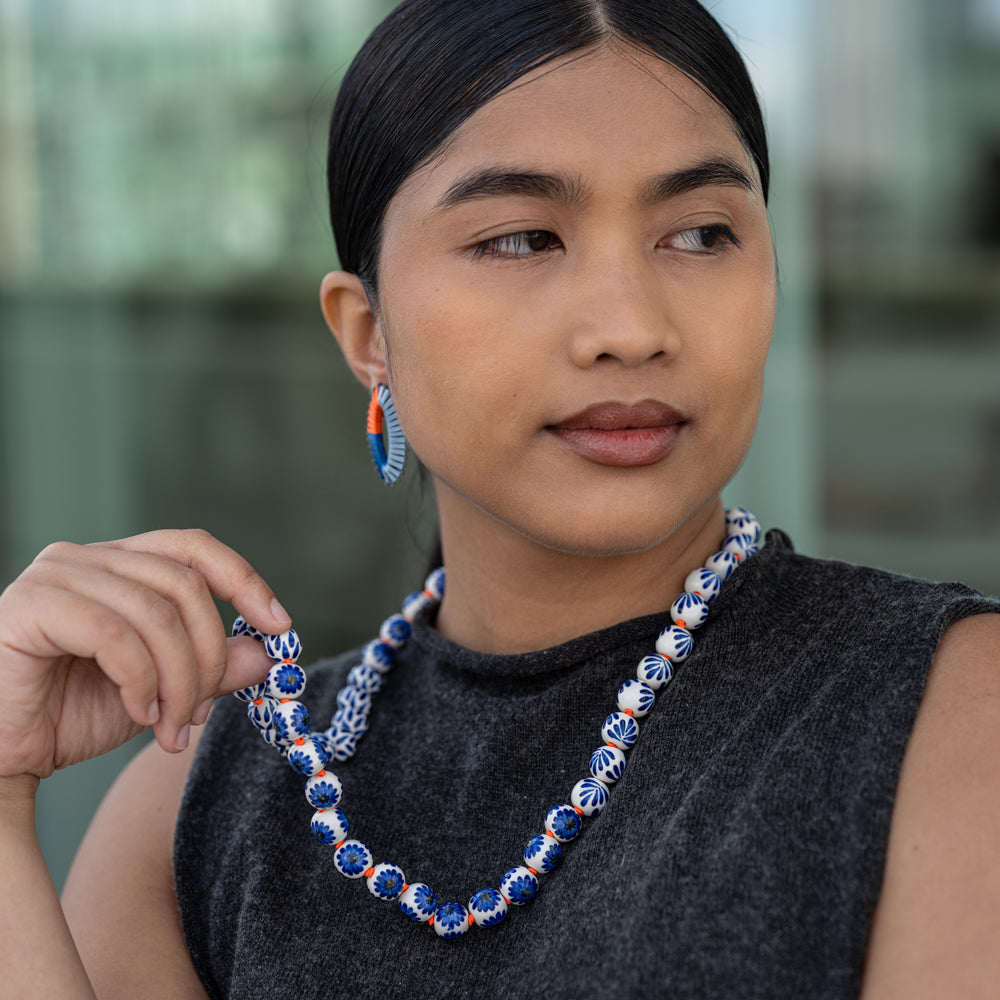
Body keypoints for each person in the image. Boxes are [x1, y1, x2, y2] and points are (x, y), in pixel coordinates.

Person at [1, 1, 998, 997]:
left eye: (699, 233)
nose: (630, 326)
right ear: (366, 334)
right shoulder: (209, 800)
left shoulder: (946, 713)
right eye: (522, 239)